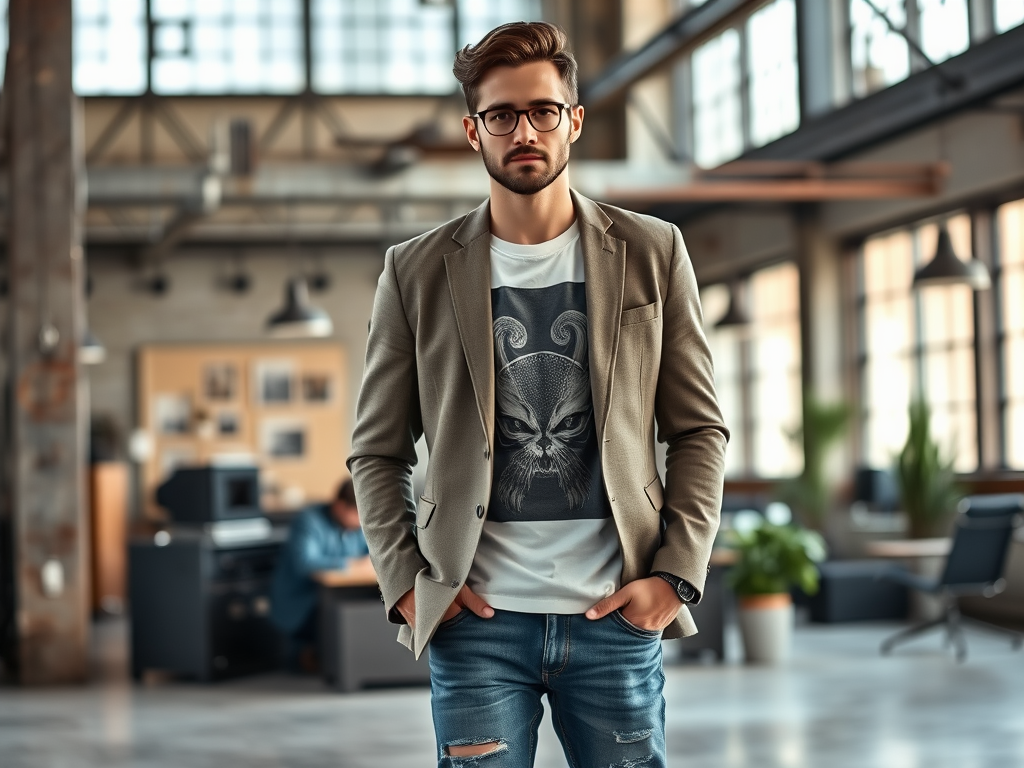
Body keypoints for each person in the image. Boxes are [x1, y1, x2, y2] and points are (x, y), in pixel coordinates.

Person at [348, 21, 728, 768]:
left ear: (574, 120)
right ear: (473, 130)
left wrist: (676, 577)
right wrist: (407, 585)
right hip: (477, 622)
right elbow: (376, 449)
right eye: (502, 115)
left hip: (615, 614)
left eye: (543, 110)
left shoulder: (653, 251)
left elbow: (699, 430)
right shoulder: (416, 271)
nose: (524, 130)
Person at [270, 478, 369, 670]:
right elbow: (306, 563)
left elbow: (374, 556)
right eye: (357, 514)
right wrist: (352, 564)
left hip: (337, 596)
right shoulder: (309, 520)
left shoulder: (358, 526)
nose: (361, 521)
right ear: (340, 507)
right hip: (302, 600)